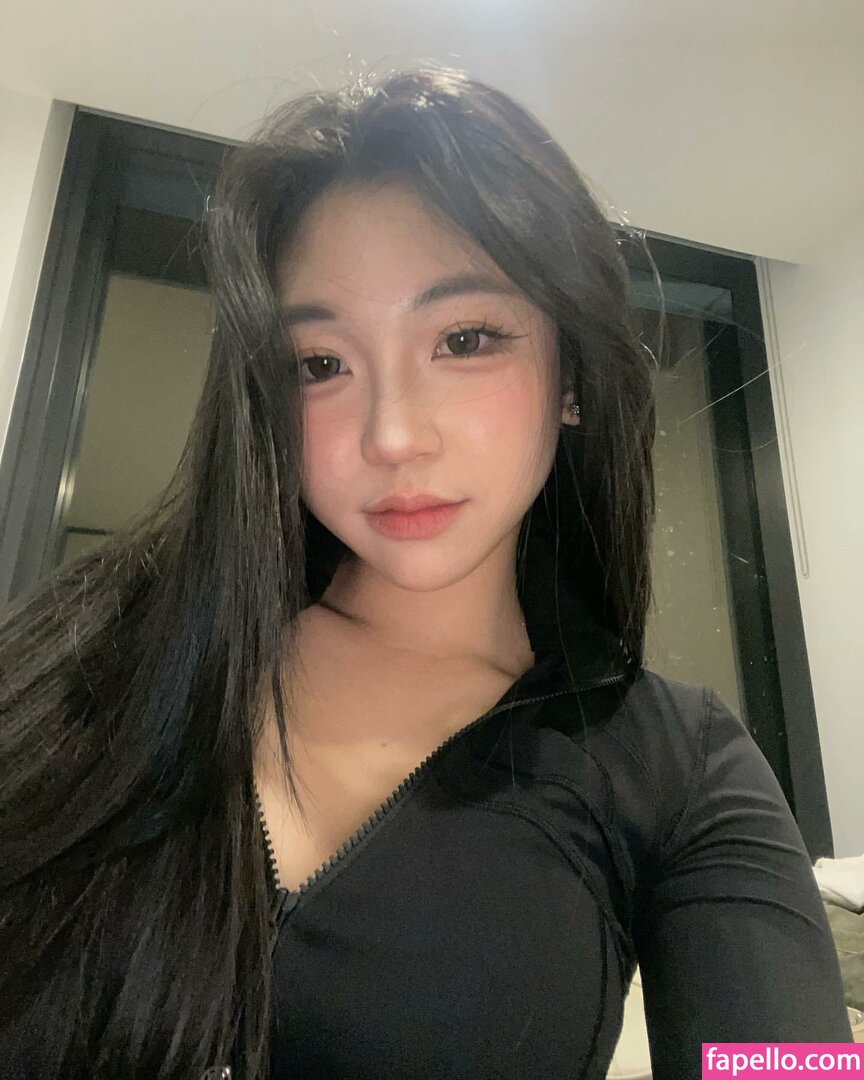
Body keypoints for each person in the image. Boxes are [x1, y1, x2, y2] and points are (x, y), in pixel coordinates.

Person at [0, 64, 852, 1080]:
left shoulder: (680, 768)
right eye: (319, 363)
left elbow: (789, 1061)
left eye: (466, 339)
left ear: (572, 375)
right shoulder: (90, 648)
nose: (392, 435)